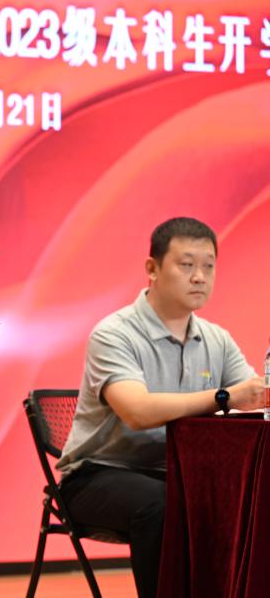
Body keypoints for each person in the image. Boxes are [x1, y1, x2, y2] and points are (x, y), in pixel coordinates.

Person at [56, 216, 262, 598]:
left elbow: (255, 398)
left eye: (209, 266)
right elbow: (138, 413)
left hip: (178, 475)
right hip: (99, 474)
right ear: (152, 268)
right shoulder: (114, 333)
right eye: (186, 265)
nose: (199, 277)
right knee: (163, 505)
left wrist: (255, 394)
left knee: (247, 497)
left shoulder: (216, 339)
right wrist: (223, 397)